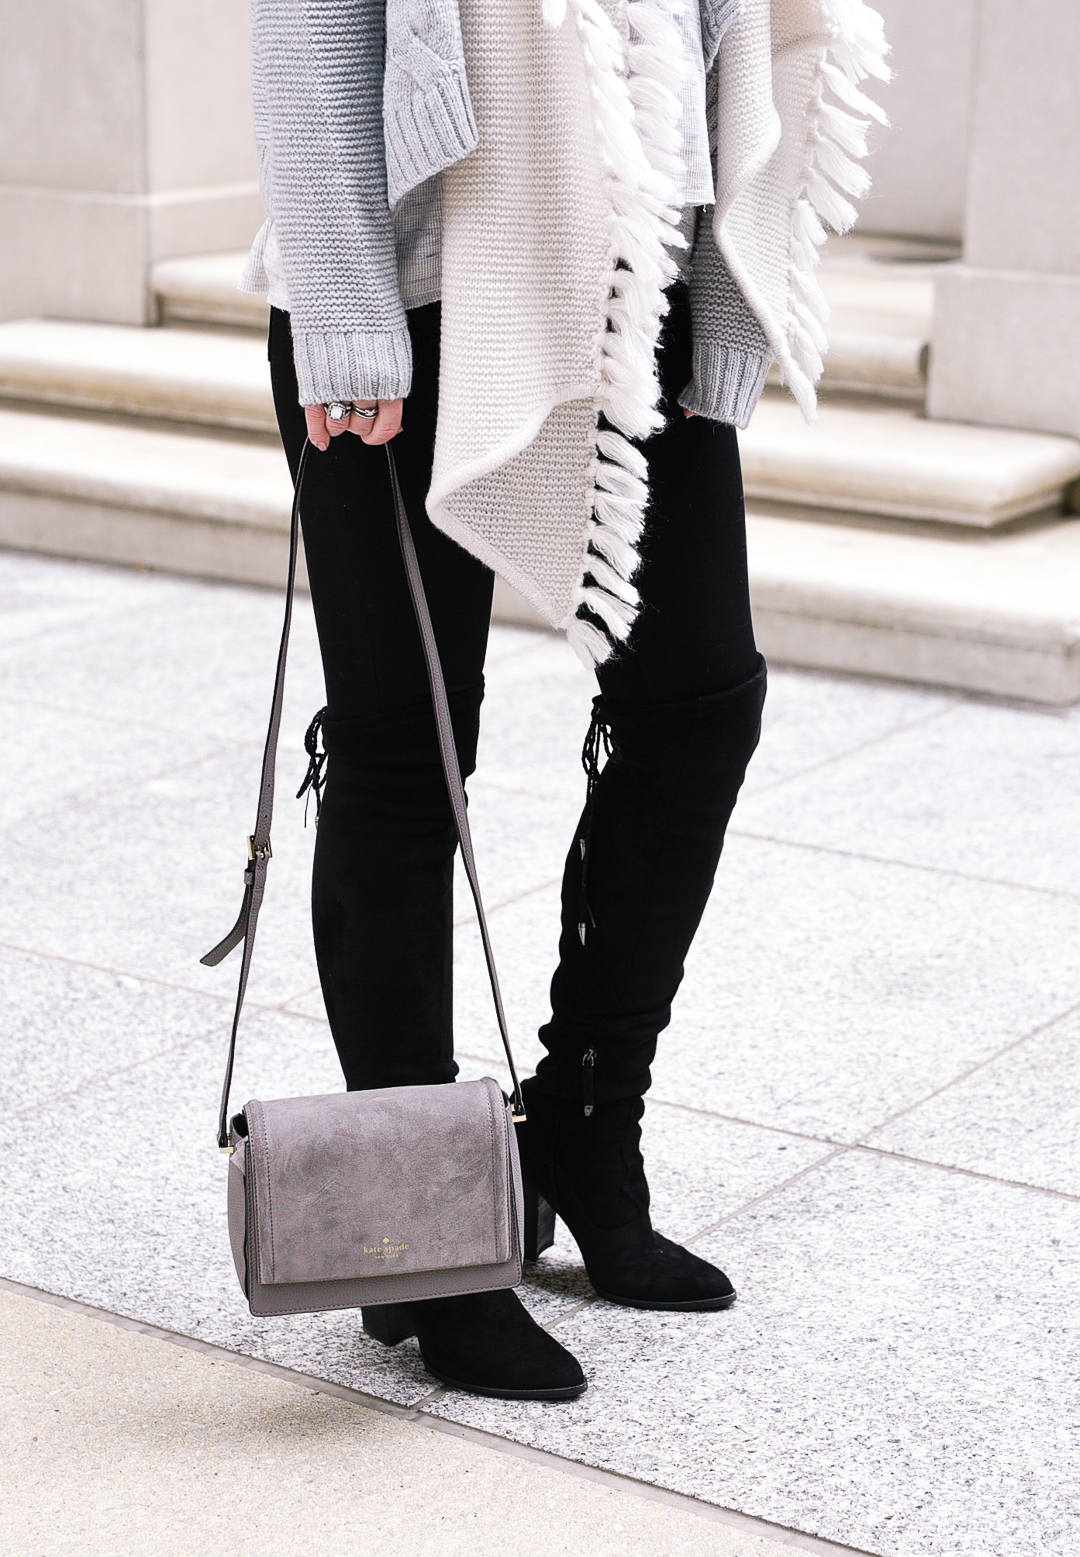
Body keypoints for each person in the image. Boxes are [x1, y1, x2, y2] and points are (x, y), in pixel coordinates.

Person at [242, 0, 888, 1401]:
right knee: (407, 748)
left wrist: (724, 306)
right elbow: (307, 26)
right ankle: (424, 1231)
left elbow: (733, 32)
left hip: (629, 276)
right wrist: (346, 306)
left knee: (700, 698)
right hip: (404, 287)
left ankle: (586, 1119)